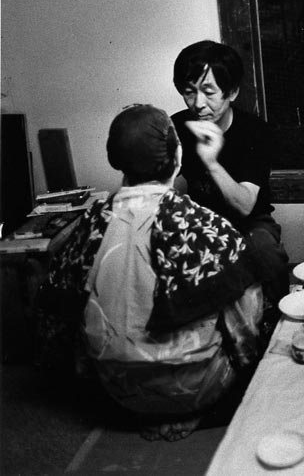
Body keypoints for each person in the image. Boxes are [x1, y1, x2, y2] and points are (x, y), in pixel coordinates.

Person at [41, 105, 268, 441]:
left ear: (115, 160)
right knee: (261, 322)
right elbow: (246, 326)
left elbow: (57, 314)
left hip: (119, 390)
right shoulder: (203, 223)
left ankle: (140, 413)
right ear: (178, 157)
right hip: (199, 388)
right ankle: (198, 413)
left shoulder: (89, 225)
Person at [170, 40, 289, 312]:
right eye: (189, 92)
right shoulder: (175, 126)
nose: (198, 104)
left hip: (250, 223)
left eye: (209, 92)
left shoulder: (254, 131)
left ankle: (280, 318)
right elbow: (169, 189)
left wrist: (211, 162)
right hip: (198, 220)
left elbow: (245, 204)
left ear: (232, 91)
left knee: (264, 249)